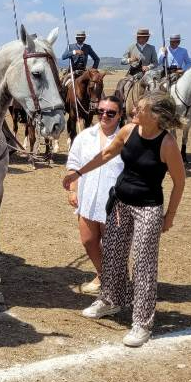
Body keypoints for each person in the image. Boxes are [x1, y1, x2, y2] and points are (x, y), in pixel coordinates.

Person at [62, 91, 186, 348]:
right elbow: (106, 154)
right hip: (120, 203)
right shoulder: (129, 131)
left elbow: (179, 182)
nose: (134, 112)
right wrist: (78, 174)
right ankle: (110, 300)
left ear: (155, 115)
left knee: (143, 264)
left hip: (148, 209)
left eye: (140, 109)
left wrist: (169, 216)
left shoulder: (167, 143)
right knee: (113, 255)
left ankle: (142, 322)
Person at [65, 95, 125, 294]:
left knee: (112, 247)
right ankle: (104, 276)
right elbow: (73, 164)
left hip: (115, 202)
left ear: (120, 115)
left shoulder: (126, 139)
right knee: (88, 241)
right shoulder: (84, 136)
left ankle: (110, 282)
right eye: (100, 111)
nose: (104, 116)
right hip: (88, 198)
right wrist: (73, 190)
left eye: (110, 113)